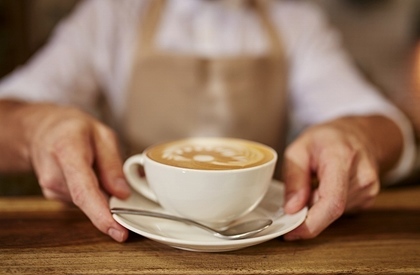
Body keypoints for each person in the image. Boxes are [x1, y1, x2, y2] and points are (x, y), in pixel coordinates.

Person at [0, 0, 416, 242]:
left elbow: (389, 125)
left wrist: (357, 136)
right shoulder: (110, 14)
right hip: (135, 242)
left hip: (259, 242)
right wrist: (39, 128)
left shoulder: (295, 20)